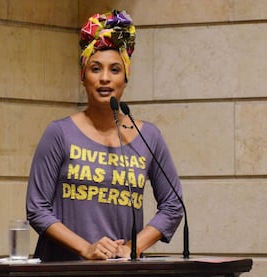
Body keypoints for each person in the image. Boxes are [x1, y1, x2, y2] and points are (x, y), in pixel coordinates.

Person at [26, 10, 183, 262]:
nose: (105, 78)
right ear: (83, 77)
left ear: (125, 78)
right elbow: (37, 209)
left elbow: (173, 206)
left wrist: (132, 247)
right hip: (65, 269)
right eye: (95, 68)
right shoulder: (59, 133)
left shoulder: (148, 136)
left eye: (115, 70)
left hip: (122, 270)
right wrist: (86, 249)